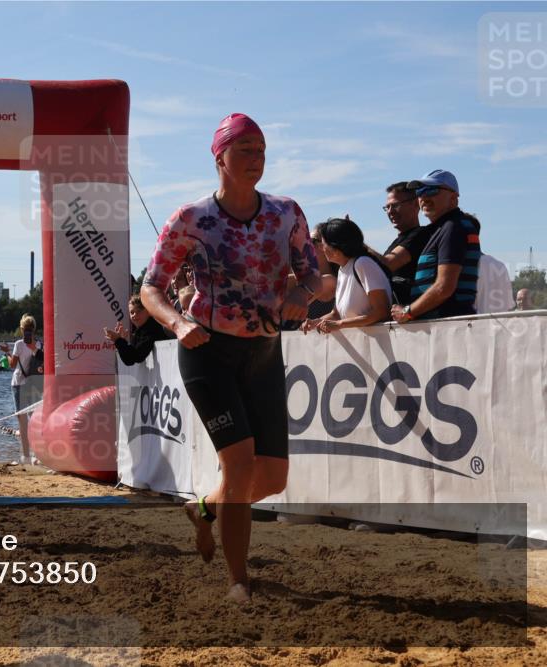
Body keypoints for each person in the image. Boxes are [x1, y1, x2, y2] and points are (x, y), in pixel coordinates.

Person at [141, 113, 319, 603]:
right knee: (238, 467)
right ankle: (239, 582)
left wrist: (303, 293)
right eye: (245, 150)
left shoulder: (286, 213)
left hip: (263, 352)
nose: (256, 160)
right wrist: (178, 323)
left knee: (272, 479)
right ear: (218, 156)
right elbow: (151, 287)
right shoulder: (191, 219)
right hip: (208, 351)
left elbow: (313, 276)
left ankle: (204, 509)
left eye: (261, 150)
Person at [391, 170, 481, 323]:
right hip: (444, 325)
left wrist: (407, 312)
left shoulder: (453, 227)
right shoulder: (445, 227)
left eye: (431, 190)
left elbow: (444, 287)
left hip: (448, 325)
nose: (424, 197)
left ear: (453, 198)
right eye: (420, 192)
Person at [301, 217, 392, 333]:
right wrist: (315, 323)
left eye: (323, 244)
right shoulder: (343, 269)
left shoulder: (363, 264)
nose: (321, 248)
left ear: (335, 246)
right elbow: (336, 314)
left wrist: (340, 324)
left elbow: (381, 311)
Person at [370, 181, 433, 306]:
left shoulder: (422, 234)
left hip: (413, 317)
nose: (390, 211)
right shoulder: (397, 242)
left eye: (395, 205)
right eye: (387, 207)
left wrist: (355, 242)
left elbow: (388, 264)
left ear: (416, 204)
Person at [0, 314, 43, 465]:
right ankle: (38, 455)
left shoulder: (18, 344)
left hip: (18, 383)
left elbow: (12, 365)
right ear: (34, 329)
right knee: (35, 420)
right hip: (34, 384)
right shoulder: (40, 345)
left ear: (22, 329)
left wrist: (7, 352)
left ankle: (26, 456)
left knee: (22, 422)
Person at [103, 294, 172, 365]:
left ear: (148, 311)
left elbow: (137, 356)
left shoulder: (152, 328)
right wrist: (120, 340)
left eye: (139, 311)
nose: (134, 315)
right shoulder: (140, 330)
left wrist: (118, 340)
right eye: (132, 312)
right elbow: (129, 360)